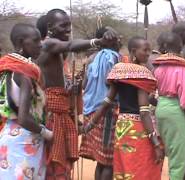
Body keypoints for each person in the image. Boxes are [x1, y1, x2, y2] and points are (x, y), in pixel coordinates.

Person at [37, 9, 117, 179]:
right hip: (52, 115)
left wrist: (71, 90)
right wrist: (98, 41)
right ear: (50, 26)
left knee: (60, 166)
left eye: (69, 25)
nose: (68, 29)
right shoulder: (48, 44)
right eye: (63, 25)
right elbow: (71, 45)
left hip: (60, 111)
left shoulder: (57, 51)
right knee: (53, 166)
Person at [85, 36, 164, 179]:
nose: (148, 54)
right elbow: (144, 112)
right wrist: (156, 143)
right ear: (134, 51)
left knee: (125, 168)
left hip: (121, 127)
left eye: (149, 51)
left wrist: (90, 124)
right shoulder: (142, 74)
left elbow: (107, 101)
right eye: (145, 50)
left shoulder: (119, 71)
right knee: (141, 168)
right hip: (138, 128)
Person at [0, 23, 52, 179]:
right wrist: (48, 134)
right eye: (36, 41)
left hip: (8, 135)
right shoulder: (23, 75)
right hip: (25, 141)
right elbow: (23, 118)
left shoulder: (5, 69)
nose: (40, 44)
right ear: (22, 42)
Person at [152, 32, 185, 180]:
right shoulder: (183, 69)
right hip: (177, 112)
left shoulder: (157, 68)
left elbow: (149, 95)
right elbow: (184, 102)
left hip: (161, 109)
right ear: (180, 47)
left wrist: (164, 105)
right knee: (178, 160)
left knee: (169, 150)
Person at [79, 26, 121, 180]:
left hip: (90, 110)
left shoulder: (91, 58)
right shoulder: (113, 57)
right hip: (106, 111)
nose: (118, 38)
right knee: (109, 161)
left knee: (101, 161)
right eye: (114, 35)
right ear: (107, 39)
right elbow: (111, 84)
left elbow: (84, 85)